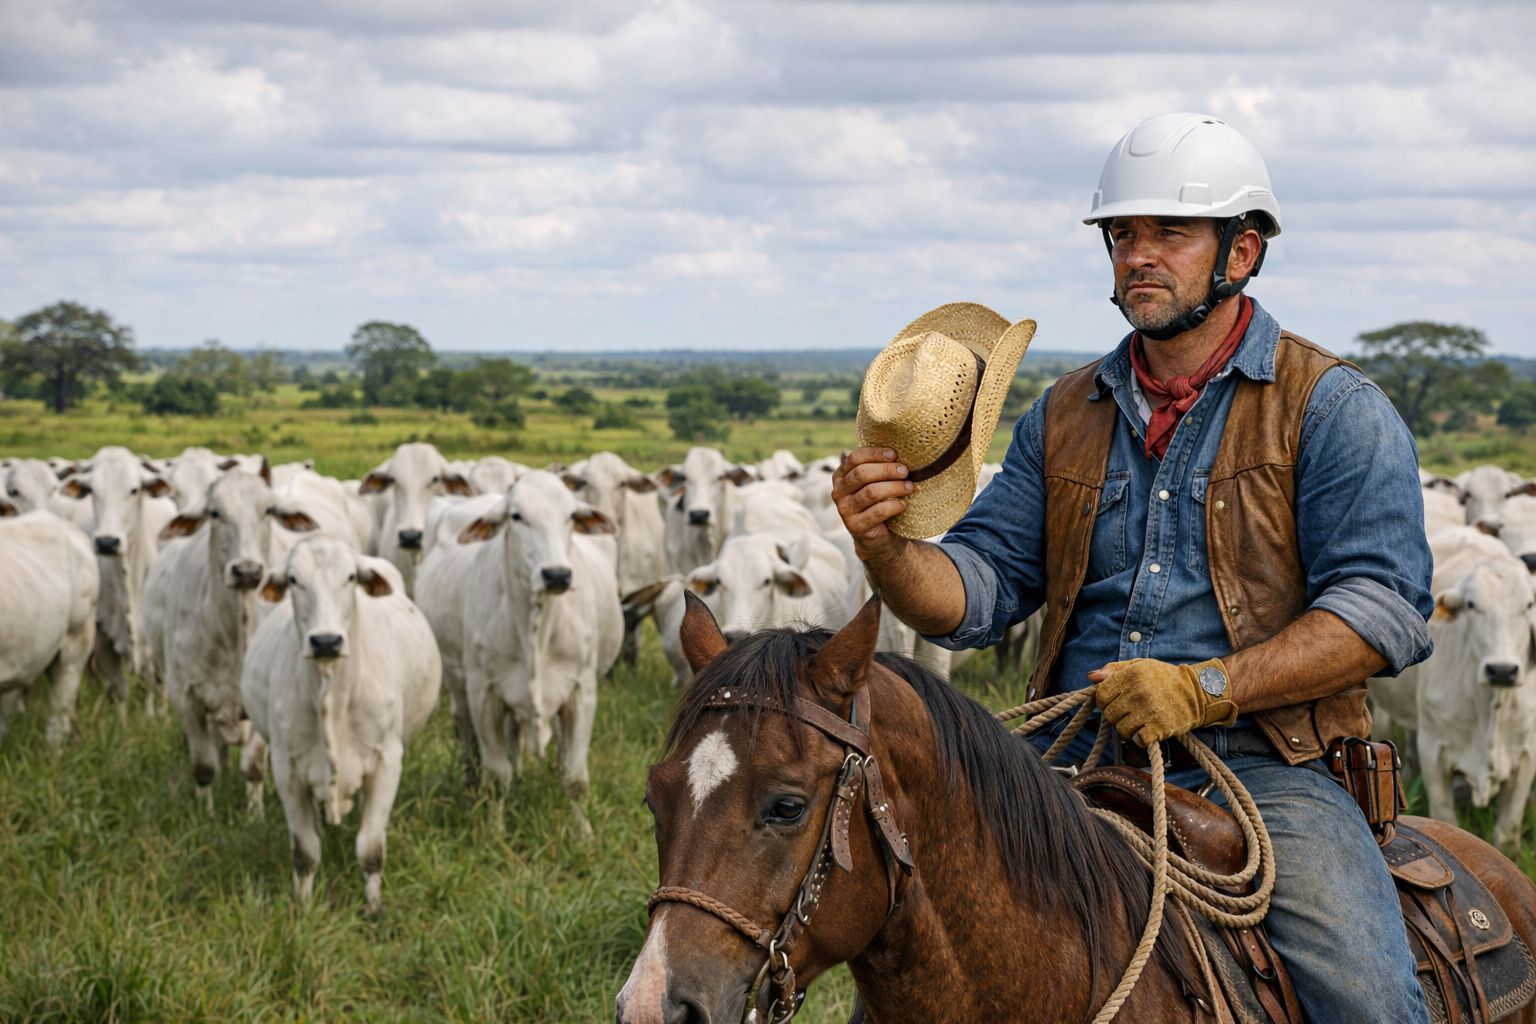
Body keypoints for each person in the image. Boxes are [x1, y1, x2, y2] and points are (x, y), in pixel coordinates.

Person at [833, 112, 1433, 1022]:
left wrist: (1206, 689)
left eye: (1169, 233)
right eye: (1122, 235)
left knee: (1369, 997)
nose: (1137, 256)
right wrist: (888, 550)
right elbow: (978, 591)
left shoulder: (1333, 408)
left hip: (1264, 768)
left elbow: (1379, 608)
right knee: (900, 955)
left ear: (1242, 252)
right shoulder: (1065, 412)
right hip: (1060, 757)